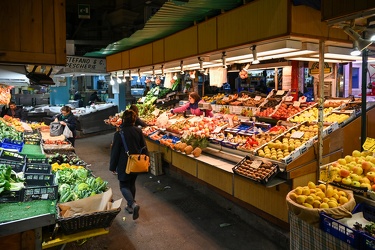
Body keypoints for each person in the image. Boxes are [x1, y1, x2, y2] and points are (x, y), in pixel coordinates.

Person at [109, 110, 149, 220]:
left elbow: (115, 152)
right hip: (136, 162)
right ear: (134, 120)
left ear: (123, 120)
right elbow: (144, 147)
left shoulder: (119, 134)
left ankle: (133, 204)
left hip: (124, 163)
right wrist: (147, 159)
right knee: (131, 183)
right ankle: (130, 206)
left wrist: (112, 167)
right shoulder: (138, 131)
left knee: (123, 185)